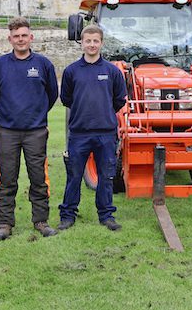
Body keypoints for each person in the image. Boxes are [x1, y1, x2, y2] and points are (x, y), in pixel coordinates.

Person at [0, 17, 59, 240]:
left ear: (31, 37)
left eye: (24, 35)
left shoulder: (43, 64)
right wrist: (10, 115)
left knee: (38, 177)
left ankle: (41, 221)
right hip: (7, 131)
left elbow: (52, 95)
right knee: (7, 178)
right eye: (16, 36)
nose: (20, 40)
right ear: (10, 39)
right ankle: (5, 223)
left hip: (36, 131)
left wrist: (36, 114)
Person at [57, 24, 127, 231]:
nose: (92, 44)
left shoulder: (112, 72)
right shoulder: (71, 71)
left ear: (101, 43)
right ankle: (68, 215)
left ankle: (106, 215)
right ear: (82, 43)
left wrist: (103, 113)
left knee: (106, 177)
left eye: (95, 41)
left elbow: (119, 100)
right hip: (79, 134)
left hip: (106, 134)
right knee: (74, 176)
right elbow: (67, 99)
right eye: (88, 41)